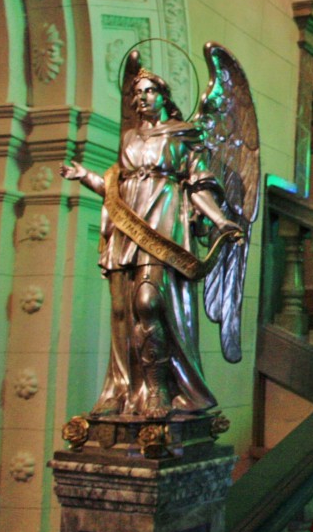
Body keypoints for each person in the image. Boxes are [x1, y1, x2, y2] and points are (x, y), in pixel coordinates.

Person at [61, 68, 240, 418]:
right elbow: (117, 190)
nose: (141, 98)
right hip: (127, 227)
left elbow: (197, 183)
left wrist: (219, 220)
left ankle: (158, 389)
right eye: (137, 93)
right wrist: (85, 177)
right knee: (121, 312)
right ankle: (125, 390)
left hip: (164, 223)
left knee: (148, 302)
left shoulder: (180, 136)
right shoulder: (128, 138)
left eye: (148, 91)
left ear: (163, 96)